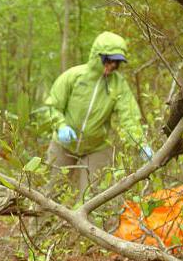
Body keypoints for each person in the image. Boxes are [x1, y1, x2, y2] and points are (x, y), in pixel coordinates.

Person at [44, 31, 153, 199]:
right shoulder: (73, 76)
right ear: (97, 56)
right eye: (108, 60)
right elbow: (52, 106)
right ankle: (41, 225)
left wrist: (140, 143)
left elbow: (129, 118)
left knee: (92, 198)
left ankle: (86, 225)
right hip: (63, 144)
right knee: (52, 193)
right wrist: (61, 126)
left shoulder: (119, 85)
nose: (112, 66)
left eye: (116, 63)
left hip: (96, 148)